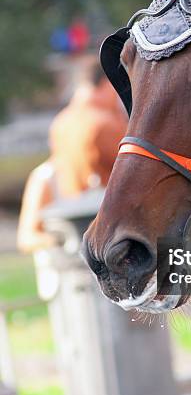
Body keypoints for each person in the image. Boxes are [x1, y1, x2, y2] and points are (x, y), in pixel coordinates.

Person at [17, 60, 127, 255]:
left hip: (74, 248)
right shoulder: (105, 124)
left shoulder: (61, 124)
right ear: (106, 84)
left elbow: (27, 236)